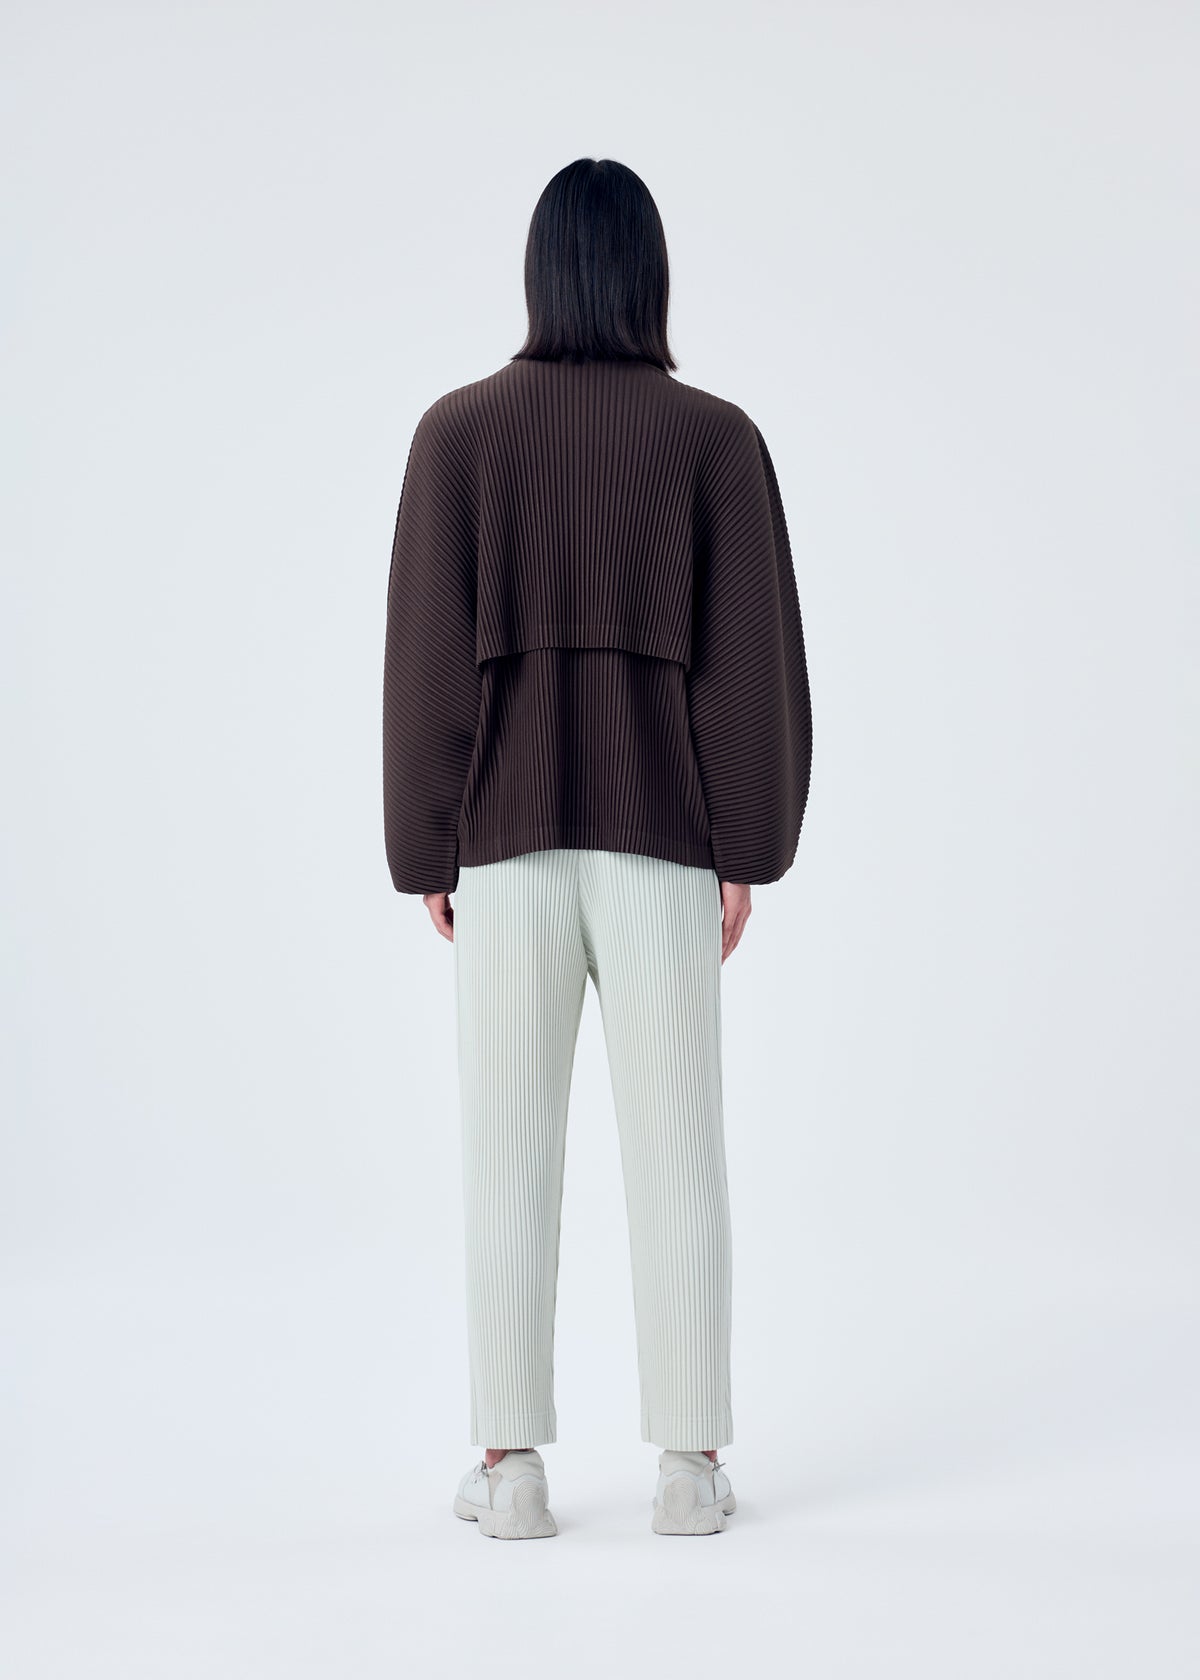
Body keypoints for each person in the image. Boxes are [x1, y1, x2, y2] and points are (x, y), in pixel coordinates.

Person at [382, 157, 813, 1538]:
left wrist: (428, 847)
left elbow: (426, 660)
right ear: (648, 273)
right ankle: (689, 1469)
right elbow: (748, 667)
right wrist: (744, 847)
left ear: (539, 272)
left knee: (504, 1152)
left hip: (505, 846)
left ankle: (510, 1471)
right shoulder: (713, 440)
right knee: (679, 1144)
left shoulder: (458, 433)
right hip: (662, 841)